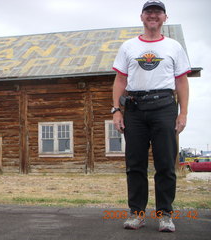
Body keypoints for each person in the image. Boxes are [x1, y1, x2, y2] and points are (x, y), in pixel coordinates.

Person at [111, 0, 191, 232]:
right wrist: (116, 110)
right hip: (134, 109)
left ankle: (165, 214)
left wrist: (183, 112)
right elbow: (120, 80)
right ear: (142, 17)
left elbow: (181, 81)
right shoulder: (128, 46)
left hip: (165, 107)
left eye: (157, 12)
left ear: (165, 18)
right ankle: (137, 214)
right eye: (149, 12)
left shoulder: (174, 46)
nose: (153, 16)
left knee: (165, 163)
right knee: (135, 164)